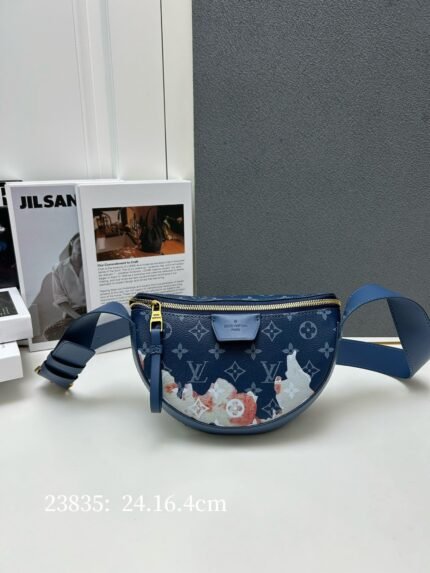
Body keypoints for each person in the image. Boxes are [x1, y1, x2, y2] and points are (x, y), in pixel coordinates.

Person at [52, 234, 86, 319]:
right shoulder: (58, 268)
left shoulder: (91, 266)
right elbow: (60, 299)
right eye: (79, 241)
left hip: (93, 311)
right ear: (72, 242)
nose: (82, 244)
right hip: (72, 314)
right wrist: (78, 318)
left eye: (85, 241)